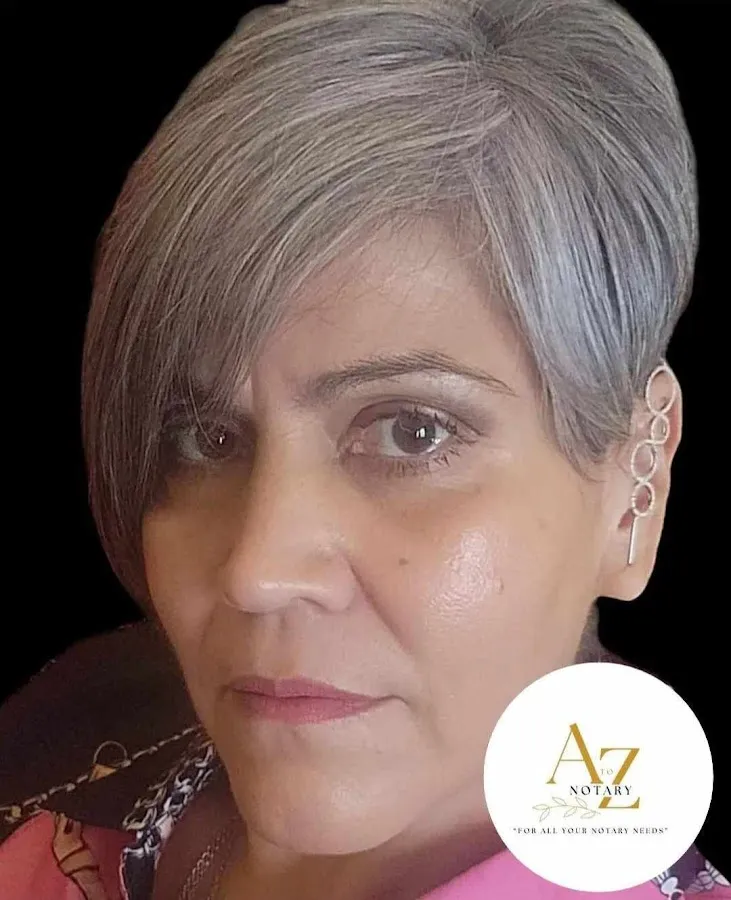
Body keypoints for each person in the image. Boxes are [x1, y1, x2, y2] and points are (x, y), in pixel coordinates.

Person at [1, 0, 728, 897]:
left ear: (636, 479)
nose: (256, 571)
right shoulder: (72, 739)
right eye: (206, 438)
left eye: (411, 432)